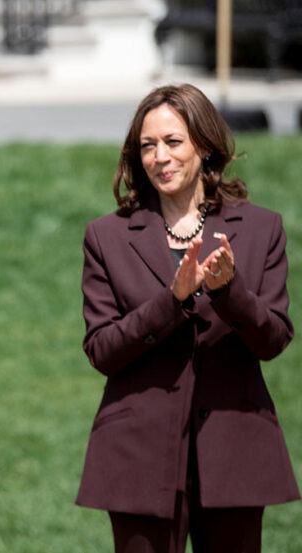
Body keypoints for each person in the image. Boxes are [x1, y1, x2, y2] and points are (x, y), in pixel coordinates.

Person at [77, 84, 299, 553]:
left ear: (204, 144)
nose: (160, 156)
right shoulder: (106, 236)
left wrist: (229, 292)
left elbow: (274, 339)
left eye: (173, 141)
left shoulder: (262, 229)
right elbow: (101, 350)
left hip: (235, 452)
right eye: (148, 145)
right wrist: (171, 300)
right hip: (138, 456)